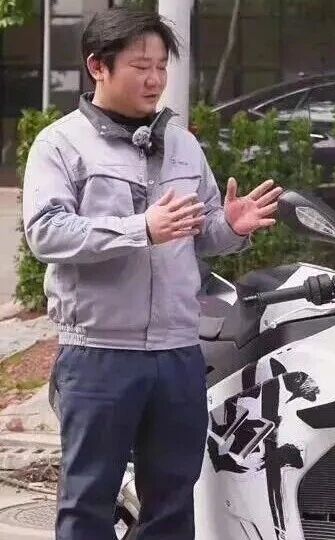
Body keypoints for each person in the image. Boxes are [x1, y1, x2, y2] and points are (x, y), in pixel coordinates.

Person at [22, 7, 282, 540]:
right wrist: (140, 227)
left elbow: (199, 234)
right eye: (141, 67)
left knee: (173, 504)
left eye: (162, 66)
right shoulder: (61, 144)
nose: (155, 79)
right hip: (99, 354)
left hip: (177, 354)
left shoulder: (183, 144)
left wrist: (230, 227)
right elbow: (46, 232)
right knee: (88, 504)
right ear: (98, 66)